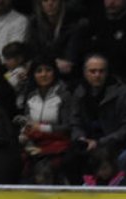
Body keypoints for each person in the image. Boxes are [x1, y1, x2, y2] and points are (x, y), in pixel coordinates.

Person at [16, 55, 82, 185]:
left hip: (58, 146)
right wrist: (23, 135)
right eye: (39, 71)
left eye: (48, 70)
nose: (43, 74)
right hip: (34, 145)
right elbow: (26, 124)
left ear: (54, 72)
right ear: (33, 75)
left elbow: (67, 127)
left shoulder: (64, 95)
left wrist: (40, 128)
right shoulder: (30, 96)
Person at [27, 0, 84, 80]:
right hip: (42, 71)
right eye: (45, 0)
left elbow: (69, 61)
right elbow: (33, 53)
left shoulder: (74, 23)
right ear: (40, 4)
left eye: (54, 0)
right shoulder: (34, 23)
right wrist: (54, 61)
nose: (50, 4)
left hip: (68, 76)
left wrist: (45, 60)